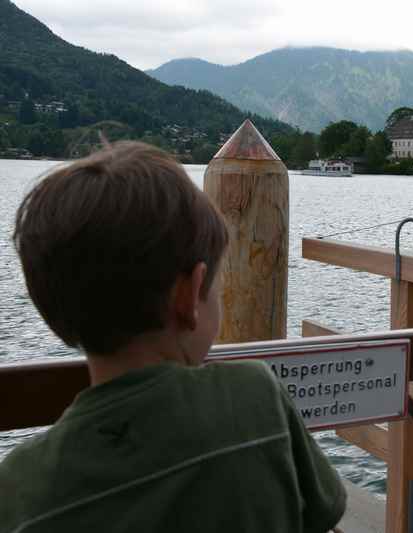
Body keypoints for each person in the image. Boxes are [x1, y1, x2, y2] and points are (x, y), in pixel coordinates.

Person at [0, 142, 346, 533]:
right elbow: (323, 514)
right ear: (189, 296)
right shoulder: (255, 396)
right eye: (217, 284)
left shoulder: (18, 488)